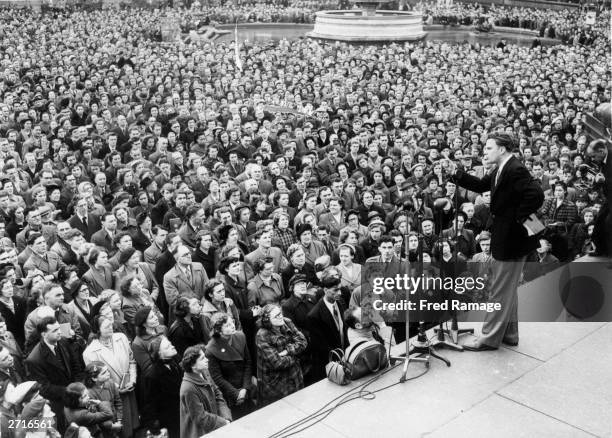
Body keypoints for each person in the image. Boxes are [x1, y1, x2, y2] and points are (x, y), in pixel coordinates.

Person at [447, 133, 544, 350]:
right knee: (507, 288)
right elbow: (481, 185)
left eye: (489, 148)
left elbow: (537, 195)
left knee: (499, 289)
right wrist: (456, 173)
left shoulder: (515, 169)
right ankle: (510, 334)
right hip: (509, 237)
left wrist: (516, 217)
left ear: (502, 149)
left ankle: (489, 338)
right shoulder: (501, 168)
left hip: (512, 239)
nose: (485, 152)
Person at [25, 316, 85, 433]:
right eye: (54, 330)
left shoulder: (63, 341)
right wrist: (70, 391)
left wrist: (78, 386)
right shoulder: (34, 359)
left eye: (58, 328)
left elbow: (75, 365)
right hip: (59, 403)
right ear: (43, 334)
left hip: (76, 396)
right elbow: (44, 388)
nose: (59, 332)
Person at [83, 314, 139, 438]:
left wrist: (133, 379)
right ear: (98, 330)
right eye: (106, 327)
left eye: (110, 325)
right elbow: (97, 378)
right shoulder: (90, 352)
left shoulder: (121, 338)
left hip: (130, 388)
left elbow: (132, 360)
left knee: (134, 425)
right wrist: (117, 387)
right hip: (112, 395)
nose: (111, 328)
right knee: (121, 429)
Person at [205, 312, 255, 419]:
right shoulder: (211, 350)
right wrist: (236, 393)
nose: (233, 326)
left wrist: (245, 387)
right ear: (218, 330)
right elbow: (217, 378)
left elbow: (248, 363)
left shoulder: (240, 336)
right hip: (230, 394)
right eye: (227, 325)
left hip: (245, 387)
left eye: (232, 322)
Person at [255, 304, 307, 406]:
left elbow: (303, 342)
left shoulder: (287, 322)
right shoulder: (262, 335)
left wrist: (288, 350)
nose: (280, 317)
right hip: (277, 384)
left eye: (280, 313)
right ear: (267, 320)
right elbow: (277, 363)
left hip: (295, 377)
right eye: (276, 316)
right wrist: (297, 356)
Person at [179, 345, 232, 438]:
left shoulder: (205, 371)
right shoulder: (188, 388)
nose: (207, 360)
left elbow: (218, 394)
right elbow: (200, 417)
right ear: (193, 365)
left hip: (215, 426)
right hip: (200, 433)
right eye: (202, 358)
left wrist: (226, 417)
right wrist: (223, 422)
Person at [142, 336, 182, 438]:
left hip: (183, 412)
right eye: (168, 347)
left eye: (171, 344)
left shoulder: (176, 362)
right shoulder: (152, 375)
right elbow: (149, 404)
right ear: (159, 354)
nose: (172, 346)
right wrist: (155, 428)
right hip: (169, 419)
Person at [163, 244, 209, 326]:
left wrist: (201, 305)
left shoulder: (199, 267)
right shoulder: (169, 276)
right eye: (185, 255)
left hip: (203, 312)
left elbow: (207, 288)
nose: (189, 256)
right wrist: (193, 306)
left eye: (189, 253)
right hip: (184, 318)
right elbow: (174, 301)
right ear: (178, 259)